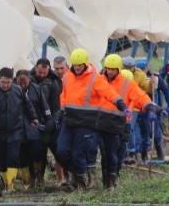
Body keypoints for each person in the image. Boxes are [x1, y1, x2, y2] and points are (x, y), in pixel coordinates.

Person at [56, 48, 130, 190]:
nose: (76, 68)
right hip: (69, 121)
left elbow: (109, 93)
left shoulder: (95, 79)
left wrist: (121, 104)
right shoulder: (67, 76)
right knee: (61, 152)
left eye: (79, 65)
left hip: (86, 122)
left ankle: (82, 182)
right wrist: (60, 115)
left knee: (78, 153)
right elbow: (63, 97)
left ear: (85, 63)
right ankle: (76, 173)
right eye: (74, 65)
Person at [98, 54, 162, 190]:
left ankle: (113, 176)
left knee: (119, 153)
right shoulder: (99, 81)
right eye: (107, 68)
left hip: (122, 123)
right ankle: (107, 181)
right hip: (103, 123)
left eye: (112, 69)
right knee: (107, 153)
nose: (109, 72)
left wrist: (153, 107)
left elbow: (140, 97)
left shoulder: (128, 83)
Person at [0, 67, 39, 191]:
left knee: (13, 158)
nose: (5, 85)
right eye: (3, 82)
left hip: (15, 130)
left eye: (8, 82)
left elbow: (27, 106)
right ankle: (5, 184)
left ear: (12, 80)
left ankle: (11, 186)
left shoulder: (18, 91)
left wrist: (33, 118)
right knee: (1, 160)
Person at [16, 69, 53, 188]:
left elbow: (44, 107)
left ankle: (39, 175)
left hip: (34, 127)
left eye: (25, 83)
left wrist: (49, 121)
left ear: (29, 80)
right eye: (20, 83)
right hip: (18, 129)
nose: (22, 86)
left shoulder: (36, 89)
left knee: (37, 151)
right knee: (22, 155)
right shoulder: (11, 90)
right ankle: (27, 181)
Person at [134, 58, 169, 162]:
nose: (142, 71)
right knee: (142, 134)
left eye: (143, 69)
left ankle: (159, 151)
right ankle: (142, 155)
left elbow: (166, 91)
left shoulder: (155, 78)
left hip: (153, 110)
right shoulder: (134, 78)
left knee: (155, 133)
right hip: (140, 110)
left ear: (147, 68)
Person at [31, 58, 62, 186]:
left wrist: (53, 122)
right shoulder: (27, 79)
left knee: (54, 148)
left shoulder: (53, 81)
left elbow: (56, 106)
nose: (42, 75)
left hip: (48, 122)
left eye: (45, 72)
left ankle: (59, 177)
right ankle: (36, 176)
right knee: (36, 150)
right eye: (40, 72)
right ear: (35, 68)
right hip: (32, 121)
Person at [51, 55, 70, 185]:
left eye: (61, 68)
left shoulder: (73, 79)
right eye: (56, 68)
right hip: (57, 118)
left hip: (72, 117)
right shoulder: (52, 80)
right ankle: (61, 178)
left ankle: (74, 175)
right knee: (59, 149)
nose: (59, 71)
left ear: (67, 67)